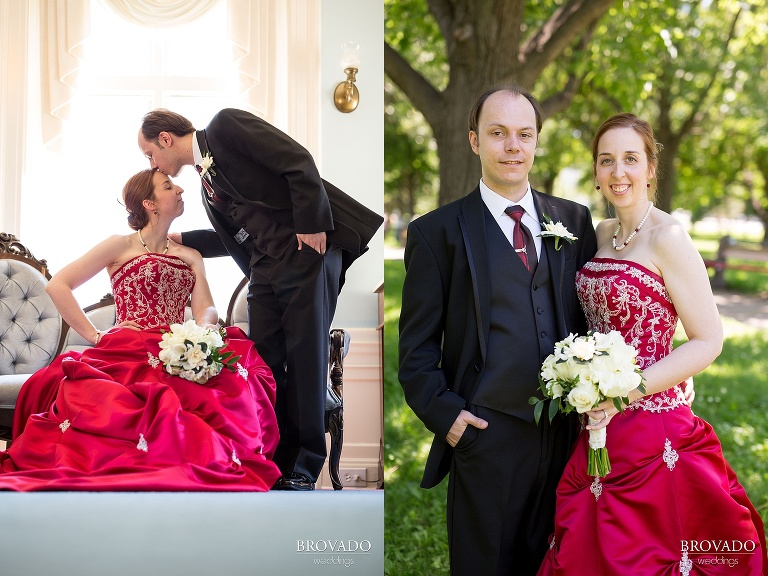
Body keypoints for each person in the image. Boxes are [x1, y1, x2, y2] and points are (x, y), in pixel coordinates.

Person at [537, 113, 767, 574]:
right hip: (595, 418)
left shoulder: (670, 238)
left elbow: (708, 340)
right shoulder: (599, 233)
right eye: (606, 160)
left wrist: (626, 392)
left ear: (650, 167)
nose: (618, 171)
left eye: (630, 158)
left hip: (652, 422)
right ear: (596, 171)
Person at [398, 85, 598, 575]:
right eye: (498, 133)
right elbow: (416, 350)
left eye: (524, 134)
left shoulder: (573, 219)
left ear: (536, 142)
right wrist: (448, 417)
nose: (513, 146)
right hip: (485, 432)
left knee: (557, 561)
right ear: (474, 141)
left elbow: (593, 317)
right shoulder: (436, 232)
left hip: (564, 431)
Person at [138, 108, 383, 491]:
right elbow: (236, 235)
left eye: (150, 153)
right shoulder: (205, 187)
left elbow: (296, 160)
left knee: (305, 359)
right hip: (265, 270)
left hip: (306, 253)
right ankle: (274, 463)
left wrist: (312, 224)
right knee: (266, 364)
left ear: (165, 139)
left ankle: (303, 468)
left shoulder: (225, 126)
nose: (153, 164)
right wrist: (184, 241)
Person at [1, 169, 282, 491]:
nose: (180, 189)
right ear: (149, 203)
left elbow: (206, 307)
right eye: (168, 186)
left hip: (178, 345)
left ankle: (205, 460)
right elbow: (59, 285)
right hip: (128, 345)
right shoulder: (119, 244)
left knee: (233, 376)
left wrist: (203, 332)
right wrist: (95, 335)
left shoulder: (191, 255)